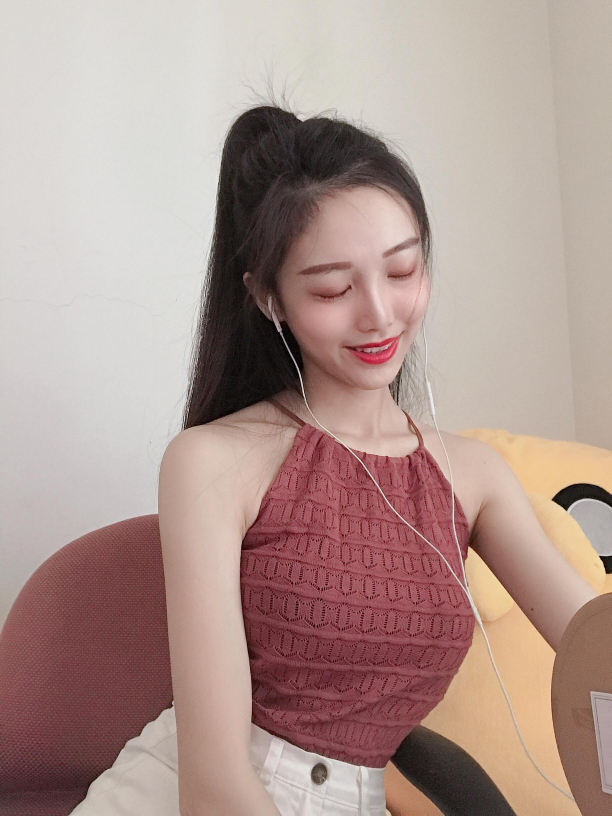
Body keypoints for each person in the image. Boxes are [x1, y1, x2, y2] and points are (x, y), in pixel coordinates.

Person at [69, 98, 597, 816]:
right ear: (269, 298)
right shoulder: (213, 461)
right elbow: (213, 784)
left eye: (402, 271)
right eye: (333, 288)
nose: (378, 313)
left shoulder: (472, 476)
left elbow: (595, 641)